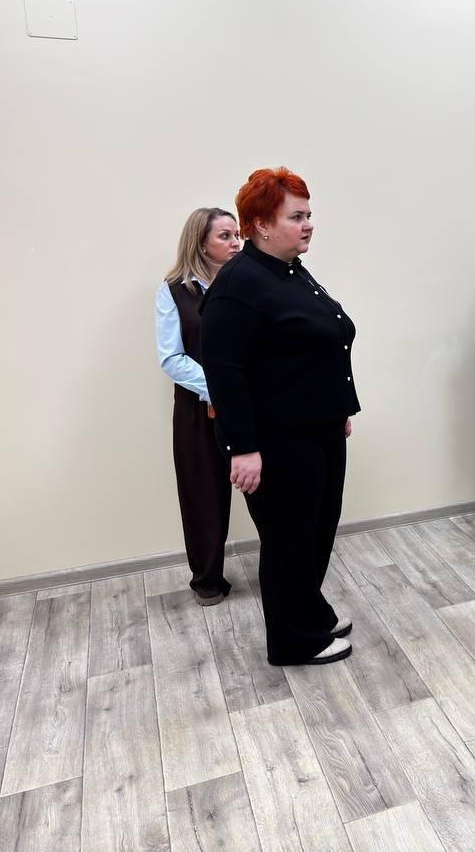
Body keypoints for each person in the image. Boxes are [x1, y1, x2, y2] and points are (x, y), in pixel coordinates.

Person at [200, 167, 357, 666]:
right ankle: (293, 641)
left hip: (319, 428)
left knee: (317, 530)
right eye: (296, 217)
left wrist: (340, 407)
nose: (308, 225)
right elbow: (225, 373)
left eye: (308, 215)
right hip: (277, 439)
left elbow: (324, 340)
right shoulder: (238, 285)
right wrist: (242, 448)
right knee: (290, 539)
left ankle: (308, 611)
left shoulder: (290, 270)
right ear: (261, 225)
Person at [156, 207, 242, 606]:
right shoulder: (173, 291)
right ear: (201, 243)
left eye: (237, 235)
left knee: (273, 487)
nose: (236, 242)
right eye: (225, 236)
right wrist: (221, 388)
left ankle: (285, 572)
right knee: (203, 495)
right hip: (199, 409)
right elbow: (171, 358)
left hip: (252, 403)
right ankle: (207, 581)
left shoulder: (245, 284)